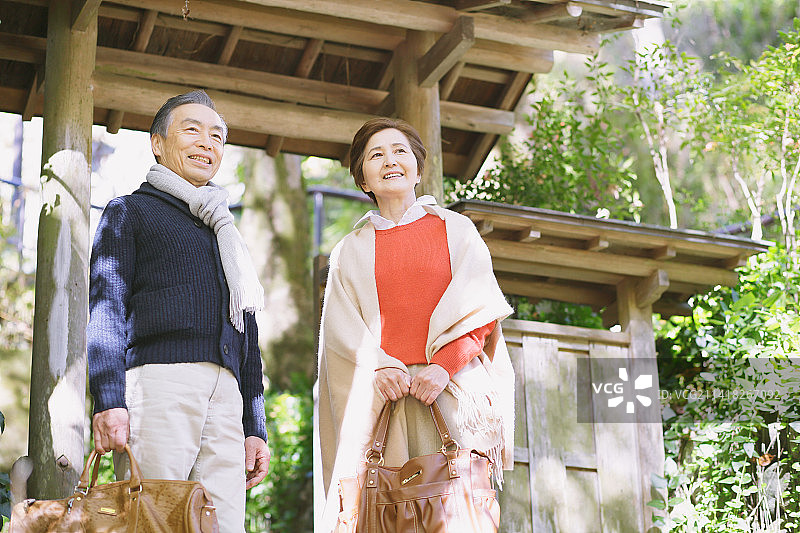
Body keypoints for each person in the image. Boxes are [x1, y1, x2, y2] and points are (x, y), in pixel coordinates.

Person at [315, 117, 515, 532]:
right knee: (384, 515)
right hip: (383, 397)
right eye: (376, 155)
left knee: (462, 514)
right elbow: (339, 332)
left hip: (449, 390)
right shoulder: (349, 251)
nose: (390, 160)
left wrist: (443, 366)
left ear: (418, 170)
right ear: (363, 178)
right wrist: (379, 364)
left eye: (400, 151)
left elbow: (482, 314)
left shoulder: (455, 231)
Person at [87, 90, 270, 533]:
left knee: (224, 523)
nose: (207, 143)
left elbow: (247, 332)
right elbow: (106, 308)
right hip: (159, 382)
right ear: (157, 143)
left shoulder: (224, 229)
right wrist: (109, 401)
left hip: (225, 393)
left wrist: (254, 424)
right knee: (151, 518)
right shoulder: (129, 211)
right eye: (192, 130)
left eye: (217, 136)